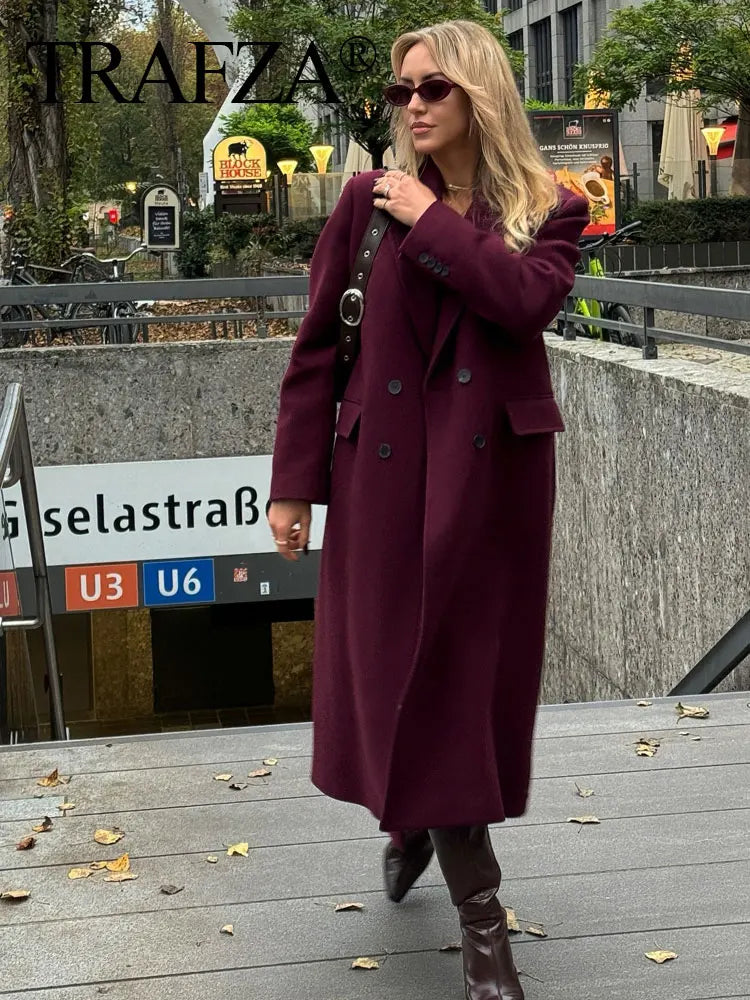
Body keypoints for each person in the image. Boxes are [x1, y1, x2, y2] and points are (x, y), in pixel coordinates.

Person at [267, 18, 589, 1000]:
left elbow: (522, 302)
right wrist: (292, 483)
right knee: (407, 668)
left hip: (489, 483)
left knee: (453, 678)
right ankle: (453, 875)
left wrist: (430, 219)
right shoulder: (364, 207)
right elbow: (320, 345)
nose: (412, 104)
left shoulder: (550, 206)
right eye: (403, 89)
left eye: (433, 88)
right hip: (383, 473)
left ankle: (465, 897)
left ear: (479, 95)